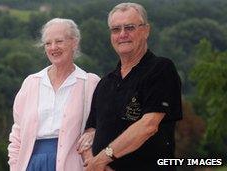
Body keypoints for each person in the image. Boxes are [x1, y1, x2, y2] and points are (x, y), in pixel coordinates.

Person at [77, 2, 182, 171]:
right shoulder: (105, 83)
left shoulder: (160, 69)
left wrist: (102, 159)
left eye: (130, 27)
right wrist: (94, 163)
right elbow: (90, 132)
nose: (122, 34)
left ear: (146, 31)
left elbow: (149, 125)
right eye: (116, 29)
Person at [7, 18, 100, 171]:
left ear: (74, 43)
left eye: (59, 41)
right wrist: (16, 167)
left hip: (73, 164)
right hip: (31, 164)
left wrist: (93, 133)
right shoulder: (31, 83)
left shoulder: (90, 83)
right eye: (48, 43)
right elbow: (17, 133)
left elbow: (103, 123)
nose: (53, 47)